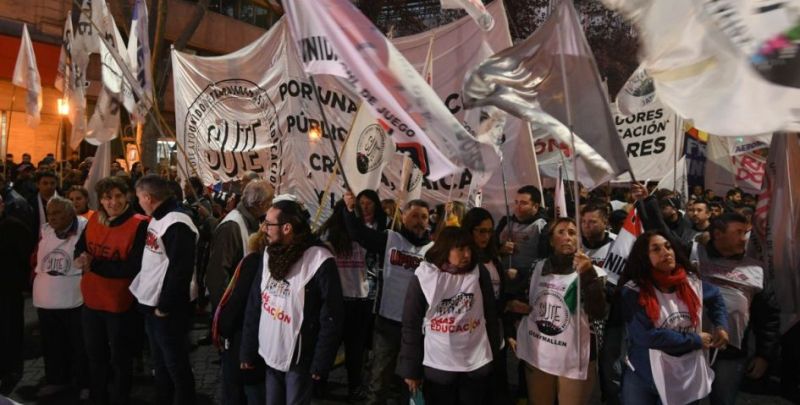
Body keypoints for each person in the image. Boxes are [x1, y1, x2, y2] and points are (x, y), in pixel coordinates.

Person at [240, 199, 344, 405]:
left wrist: (321, 363)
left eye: (269, 224)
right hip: (270, 351)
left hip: (299, 359)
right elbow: (255, 303)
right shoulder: (269, 254)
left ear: (286, 228)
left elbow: (332, 316)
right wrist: (247, 349)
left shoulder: (319, 260)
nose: (263, 229)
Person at [620, 230, 729, 404]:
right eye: (656, 249)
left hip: (686, 374)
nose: (666, 252)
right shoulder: (634, 291)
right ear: (644, 257)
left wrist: (721, 326)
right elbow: (645, 336)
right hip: (644, 376)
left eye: (668, 247)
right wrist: (695, 340)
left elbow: (715, 297)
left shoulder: (691, 282)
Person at [342, 196, 433, 405]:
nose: (419, 221)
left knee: (412, 383)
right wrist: (349, 210)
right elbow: (359, 234)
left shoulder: (435, 250)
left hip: (419, 327)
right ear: (403, 216)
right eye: (414, 216)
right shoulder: (390, 239)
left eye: (424, 217)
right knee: (379, 381)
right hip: (388, 323)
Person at [397, 226, 499, 405]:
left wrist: (494, 354)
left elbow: (490, 315)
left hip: (475, 363)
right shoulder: (425, 276)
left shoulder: (478, 272)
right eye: (460, 249)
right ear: (445, 249)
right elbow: (411, 324)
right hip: (439, 365)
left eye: (469, 248)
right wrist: (411, 370)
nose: (466, 254)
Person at [512, 218, 607, 405]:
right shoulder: (536, 267)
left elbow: (598, 311)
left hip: (573, 357)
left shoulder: (593, 271)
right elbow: (524, 298)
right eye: (561, 232)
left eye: (572, 233)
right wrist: (516, 306)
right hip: (539, 351)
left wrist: (588, 275)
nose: (567, 237)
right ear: (550, 240)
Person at [691, 212, 780, 405]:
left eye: (746, 232)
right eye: (738, 232)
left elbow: (768, 316)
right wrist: (648, 204)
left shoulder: (757, 269)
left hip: (731, 354)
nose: (744, 238)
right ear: (718, 234)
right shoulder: (694, 255)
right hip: (691, 347)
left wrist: (764, 355)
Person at [75, 176, 149, 405]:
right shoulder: (95, 220)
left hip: (120, 303)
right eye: (108, 198)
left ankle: (120, 397)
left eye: (118, 196)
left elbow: (132, 267)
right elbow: (80, 248)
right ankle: (98, 396)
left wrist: (93, 264)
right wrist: (80, 258)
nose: (113, 202)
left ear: (127, 196)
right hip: (92, 301)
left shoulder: (140, 224)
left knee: (120, 357)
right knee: (95, 354)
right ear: (101, 200)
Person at [129, 175, 199, 405]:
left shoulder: (177, 223)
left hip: (167, 310)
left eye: (139, 197)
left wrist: (165, 306)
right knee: (160, 364)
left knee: (175, 364)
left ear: (148, 197)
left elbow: (180, 270)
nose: (138, 202)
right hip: (154, 305)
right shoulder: (159, 218)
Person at [317, 197, 377, 400]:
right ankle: (354, 388)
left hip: (335, 299)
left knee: (328, 345)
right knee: (355, 349)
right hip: (358, 299)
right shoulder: (362, 234)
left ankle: (319, 382)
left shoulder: (327, 237)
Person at [32, 197, 88, 398]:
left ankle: (84, 382)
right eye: (50, 214)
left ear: (70, 214)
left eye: (57, 213)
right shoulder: (46, 231)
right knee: (52, 345)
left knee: (79, 344)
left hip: (74, 299)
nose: (52, 218)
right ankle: (57, 379)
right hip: (46, 300)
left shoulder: (84, 228)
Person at [461, 208, 510, 404]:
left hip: (495, 333)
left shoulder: (494, 259)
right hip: (473, 334)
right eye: (481, 231)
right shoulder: (464, 263)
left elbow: (500, 296)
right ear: (469, 230)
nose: (486, 236)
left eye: (489, 231)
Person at [214, 231, 269, 405]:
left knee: (239, 391)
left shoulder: (252, 263)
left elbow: (237, 300)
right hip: (261, 340)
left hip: (242, 337)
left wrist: (223, 327)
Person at [207, 180, 274, 315]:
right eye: (270, 202)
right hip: (231, 311)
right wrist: (226, 314)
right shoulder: (231, 227)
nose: (271, 206)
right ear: (260, 205)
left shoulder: (252, 222)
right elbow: (217, 276)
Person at [0, 194, 35, 394]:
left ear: (3, 205)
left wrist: (20, 282)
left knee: (10, 330)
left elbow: (26, 257)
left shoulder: (14, 226)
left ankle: (11, 369)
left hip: (8, 289)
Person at [495, 185, 548, 296]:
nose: (518, 207)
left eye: (523, 203)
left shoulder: (542, 226)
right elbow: (491, 247)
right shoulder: (506, 222)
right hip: (500, 281)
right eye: (516, 202)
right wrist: (500, 249)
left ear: (535, 206)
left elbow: (545, 261)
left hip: (527, 286)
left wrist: (520, 274)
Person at [28, 170, 59, 236]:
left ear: (56, 184)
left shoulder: (64, 202)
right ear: (37, 185)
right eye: (45, 183)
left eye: (52, 183)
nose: (49, 186)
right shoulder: (30, 203)